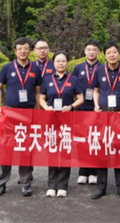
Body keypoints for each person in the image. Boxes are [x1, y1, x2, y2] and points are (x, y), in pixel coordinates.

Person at [0, 37, 42, 198]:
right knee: (6, 148)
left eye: (26, 48)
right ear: (15, 51)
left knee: (26, 149)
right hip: (10, 115)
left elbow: (38, 92)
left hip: (28, 114)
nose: (23, 51)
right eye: (20, 48)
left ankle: (26, 183)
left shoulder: (35, 68)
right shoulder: (7, 68)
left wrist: (38, 110)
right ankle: (0, 184)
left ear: (30, 50)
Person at [92, 42, 120, 200]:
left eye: (114, 52)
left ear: (119, 54)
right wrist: (96, 105)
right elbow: (96, 90)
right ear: (104, 55)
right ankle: (101, 187)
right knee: (102, 150)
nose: (112, 55)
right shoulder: (99, 70)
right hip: (103, 114)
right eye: (109, 53)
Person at [38, 51, 84, 197]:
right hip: (51, 120)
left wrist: (71, 107)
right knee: (52, 151)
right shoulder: (47, 80)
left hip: (67, 120)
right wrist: (46, 108)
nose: (61, 63)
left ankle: (63, 185)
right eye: (58, 61)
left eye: (63, 61)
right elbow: (41, 98)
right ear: (54, 63)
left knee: (65, 151)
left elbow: (81, 98)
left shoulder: (73, 80)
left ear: (67, 62)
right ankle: (52, 185)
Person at [71, 39, 101, 185]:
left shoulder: (102, 68)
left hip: (96, 108)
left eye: (94, 49)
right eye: (89, 49)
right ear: (84, 51)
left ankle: (94, 171)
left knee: (95, 139)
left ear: (98, 52)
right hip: (81, 108)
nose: (91, 52)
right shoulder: (78, 68)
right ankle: (83, 171)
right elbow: (72, 87)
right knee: (82, 140)